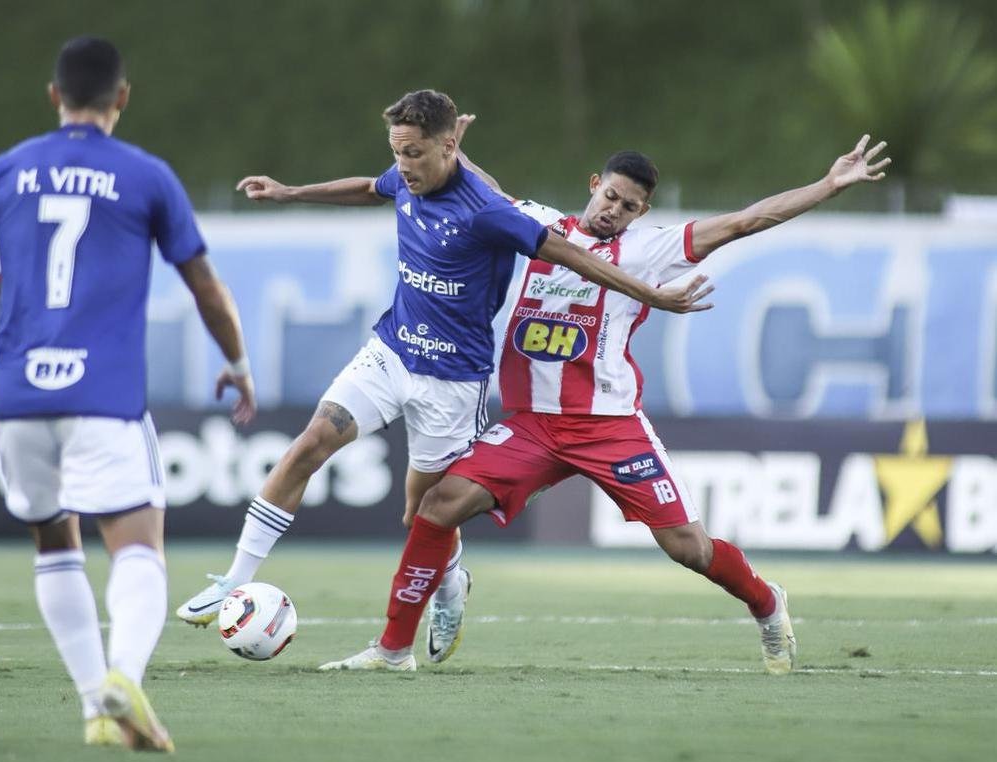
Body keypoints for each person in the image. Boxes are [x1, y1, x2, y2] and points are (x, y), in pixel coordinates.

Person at [320, 130, 890, 673]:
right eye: (611, 196)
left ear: (642, 212)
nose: (614, 210)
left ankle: (767, 602)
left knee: (688, 548)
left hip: (609, 427)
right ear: (595, 184)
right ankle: (393, 649)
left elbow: (745, 221)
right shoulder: (539, 225)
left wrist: (827, 185)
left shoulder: (649, 249)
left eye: (629, 206)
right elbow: (484, 190)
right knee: (438, 505)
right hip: (534, 425)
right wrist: (454, 151)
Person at [175, 90, 712, 640]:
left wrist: (651, 294)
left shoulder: (487, 211)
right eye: (397, 152)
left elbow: (571, 254)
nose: (403, 166)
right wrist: (290, 193)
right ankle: (233, 581)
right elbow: (370, 188)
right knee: (310, 444)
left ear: (448, 148)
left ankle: (452, 581)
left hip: (452, 382)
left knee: (423, 514)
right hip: (391, 351)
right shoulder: (406, 179)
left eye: (413, 154)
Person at [0, 37, 254, 752]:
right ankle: (123, 677)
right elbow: (205, 286)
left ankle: (96, 708)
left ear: (53, 96)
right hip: (102, 393)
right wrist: (237, 362)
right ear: (121, 97)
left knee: (53, 544)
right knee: (138, 545)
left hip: (16, 395)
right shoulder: (146, 174)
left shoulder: (7, 169)